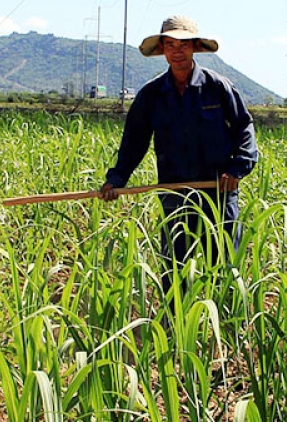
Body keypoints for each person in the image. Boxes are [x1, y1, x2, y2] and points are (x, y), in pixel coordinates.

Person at [99, 15, 259, 301]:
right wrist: (116, 180)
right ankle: (175, 333)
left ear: (194, 47)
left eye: (183, 44)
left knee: (222, 269)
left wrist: (238, 168)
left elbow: (244, 127)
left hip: (218, 193)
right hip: (175, 193)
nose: (177, 51)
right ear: (162, 49)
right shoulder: (151, 95)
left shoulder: (217, 88)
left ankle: (225, 336)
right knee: (175, 270)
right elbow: (133, 143)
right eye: (170, 44)